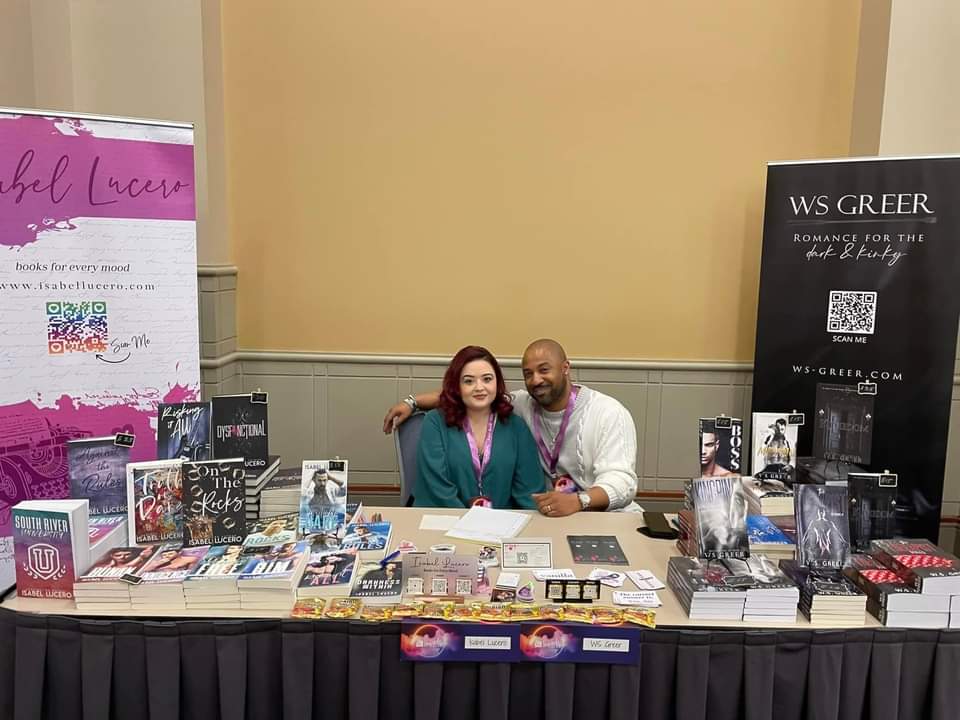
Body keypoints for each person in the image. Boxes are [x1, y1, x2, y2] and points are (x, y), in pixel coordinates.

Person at [384, 339, 639, 516]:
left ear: (566, 368)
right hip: (447, 520)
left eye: (544, 370)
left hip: (600, 513)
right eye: (528, 373)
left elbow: (622, 483)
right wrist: (412, 402)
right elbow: (472, 396)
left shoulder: (607, 413)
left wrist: (578, 502)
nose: (536, 380)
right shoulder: (522, 404)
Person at [406, 346, 543, 509]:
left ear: (497, 382)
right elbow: (437, 487)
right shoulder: (435, 422)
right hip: (446, 516)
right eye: (469, 381)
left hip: (501, 520)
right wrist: (467, 519)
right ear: (456, 386)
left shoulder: (516, 426)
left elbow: (529, 490)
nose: (479, 387)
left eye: (487, 379)